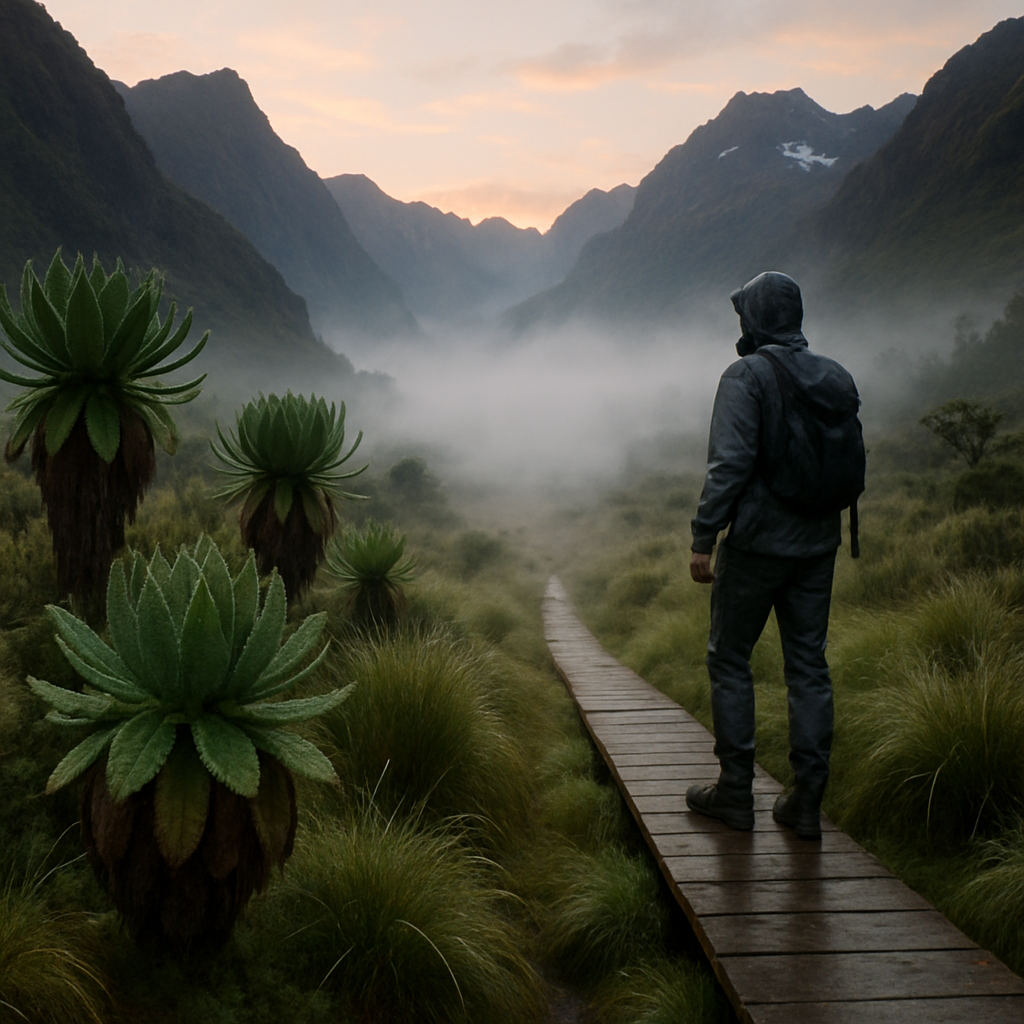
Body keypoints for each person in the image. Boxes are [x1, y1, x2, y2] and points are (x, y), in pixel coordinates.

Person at [685, 271, 859, 840]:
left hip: (759, 544)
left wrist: (703, 537)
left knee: (730, 658)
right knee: (808, 666)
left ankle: (736, 793)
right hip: (818, 544)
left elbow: (729, 464)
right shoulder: (833, 374)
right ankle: (805, 801)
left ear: (754, 318)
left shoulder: (746, 374)